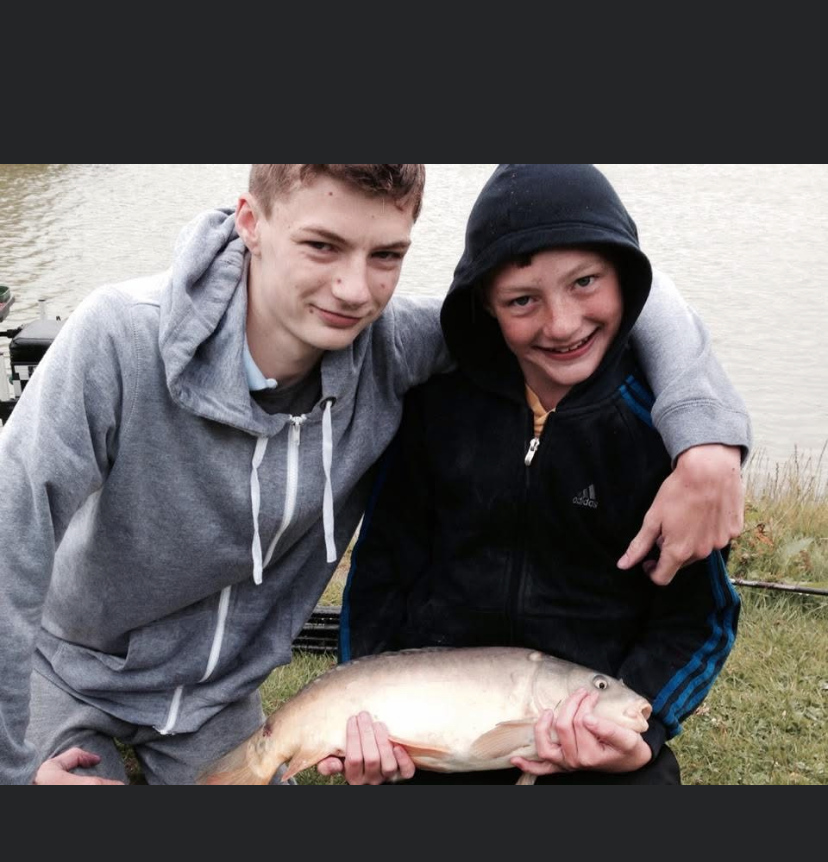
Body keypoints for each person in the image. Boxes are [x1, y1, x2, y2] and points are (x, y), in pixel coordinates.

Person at [0, 163, 749, 788]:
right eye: (321, 245)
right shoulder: (117, 337)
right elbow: (8, 549)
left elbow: (615, 284)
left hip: (219, 702)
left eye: (386, 255)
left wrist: (707, 439)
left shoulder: (393, 352)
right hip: (68, 672)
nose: (354, 290)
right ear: (250, 221)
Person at [327, 164, 744, 785]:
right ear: (485, 304)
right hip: (431, 737)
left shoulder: (665, 437)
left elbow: (697, 619)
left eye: (585, 282)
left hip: (597, 734)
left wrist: (646, 729)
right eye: (522, 300)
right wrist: (368, 702)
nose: (562, 324)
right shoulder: (434, 406)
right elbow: (382, 571)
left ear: (626, 278)